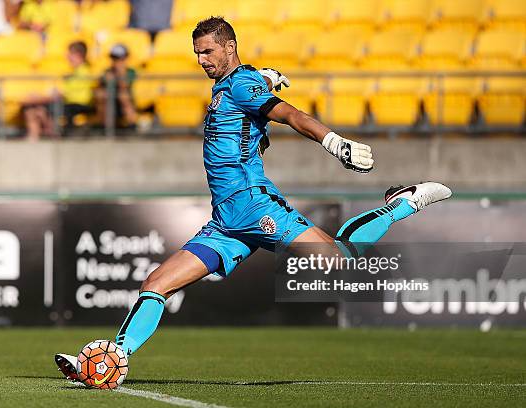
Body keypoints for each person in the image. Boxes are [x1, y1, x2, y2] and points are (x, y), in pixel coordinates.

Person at [54, 17, 452, 380]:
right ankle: (113, 361)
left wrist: (332, 141)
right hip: (226, 223)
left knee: (342, 259)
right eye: (197, 54)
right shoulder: (235, 84)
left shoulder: (240, 84)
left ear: (229, 47)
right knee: (157, 283)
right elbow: (244, 95)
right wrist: (261, 75)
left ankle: (402, 203)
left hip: (257, 207)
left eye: (208, 51)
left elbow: (290, 114)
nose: (202, 60)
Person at [23, 41, 95, 139]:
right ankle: (36, 136)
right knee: (33, 108)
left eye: (70, 54)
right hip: (68, 103)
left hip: (77, 105)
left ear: (78, 55)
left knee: (38, 108)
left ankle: (53, 136)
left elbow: (62, 94)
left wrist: (36, 99)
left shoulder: (83, 72)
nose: (67, 57)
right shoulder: (75, 72)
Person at [95, 44, 138, 129]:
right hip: (109, 101)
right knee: (100, 94)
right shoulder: (107, 71)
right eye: (115, 59)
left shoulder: (131, 71)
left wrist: (120, 75)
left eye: (120, 59)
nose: (117, 62)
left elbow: (124, 86)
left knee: (123, 95)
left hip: (127, 101)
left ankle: (132, 124)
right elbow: (99, 86)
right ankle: (104, 126)